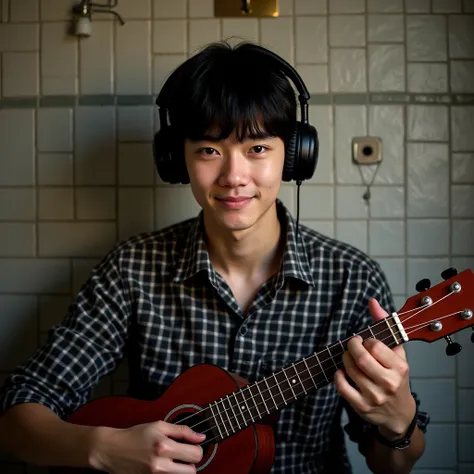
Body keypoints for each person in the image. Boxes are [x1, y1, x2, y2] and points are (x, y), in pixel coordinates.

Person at [0, 40, 429, 474]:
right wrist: (101, 448)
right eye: (209, 150)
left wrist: (398, 423)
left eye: (257, 149)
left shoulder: (352, 279)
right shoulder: (132, 268)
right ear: (176, 159)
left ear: (294, 156)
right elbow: (17, 417)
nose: (233, 177)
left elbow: (392, 467)